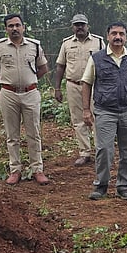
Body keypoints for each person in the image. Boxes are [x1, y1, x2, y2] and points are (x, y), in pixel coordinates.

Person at [81, 21, 127, 201]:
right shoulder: (96, 58)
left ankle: (124, 186)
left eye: (121, 34)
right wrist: (86, 109)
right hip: (105, 111)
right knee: (104, 149)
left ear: (126, 37)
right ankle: (101, 185)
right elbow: (86, 83)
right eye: (114, 34)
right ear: (107, 36)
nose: (118, 37)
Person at [0, 14, 51, 185]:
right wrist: (7, 82)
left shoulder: (34, 46)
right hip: (8, 94)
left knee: (34, 133)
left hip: (31, 93)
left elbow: (43, 68)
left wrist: (30, 81)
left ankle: (37, 169)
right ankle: (15, 170)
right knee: (12, 135)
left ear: (23, 27)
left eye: (17, 25)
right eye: (10, 26)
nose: (14, 29)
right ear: (6, 28)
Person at [53, 13, 104, 167]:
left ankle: (100, 152)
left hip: (95, 86)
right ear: (72, 27)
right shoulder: (66, 44)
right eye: (77, 25)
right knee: (78, 119)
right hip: (73, 85)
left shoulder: (99, 42)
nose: (80, 27)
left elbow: (106, 63)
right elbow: (60, 65)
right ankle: (84, 153)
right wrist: (57, 88)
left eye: (82, 24)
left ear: (88, 26)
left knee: (98, 118)